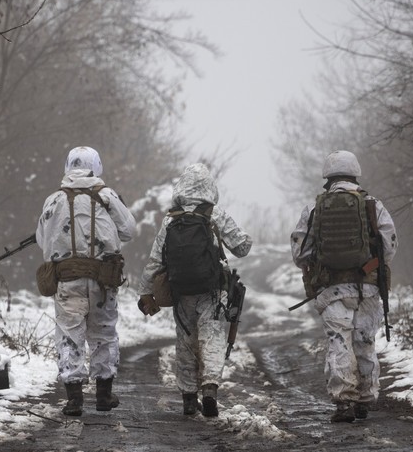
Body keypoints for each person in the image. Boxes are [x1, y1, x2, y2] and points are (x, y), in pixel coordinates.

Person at [136, 163, 252, 417]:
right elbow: (243, 247)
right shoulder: (215, 214)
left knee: (186, 341)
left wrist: (145, 292)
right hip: (211, 290)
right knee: (211, 336)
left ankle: (189, 397)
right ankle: (210, 388)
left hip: (180, 291)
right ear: (209, 187)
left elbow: (155, 261)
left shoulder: (170, 219)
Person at [290, 150, 397, 423]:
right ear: (355, 172)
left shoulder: (315, 208)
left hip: (331, 289)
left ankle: (344, 402)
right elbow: (389, 245)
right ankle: (365, 398)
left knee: (339, 342)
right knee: (365, 341)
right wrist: (369, 266)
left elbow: (300, 254)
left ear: (328, 176)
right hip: (369, 286)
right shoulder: (373, 204)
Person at [36, 146, 137, 416]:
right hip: (103, 281)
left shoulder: (53, 200)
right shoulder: (107, 196)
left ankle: (74, 400)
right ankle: (104, 396)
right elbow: (128, 231)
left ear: (67, 165)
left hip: (67, 280)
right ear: (97, 165)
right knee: (103, 335)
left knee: (70, 335)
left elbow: (41, 240)